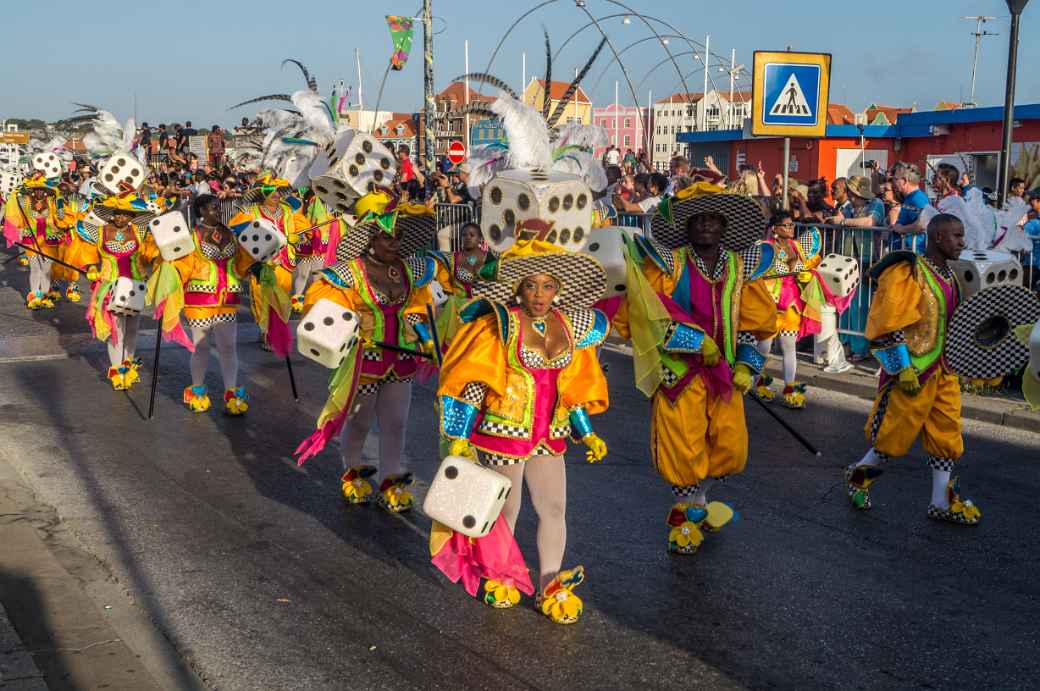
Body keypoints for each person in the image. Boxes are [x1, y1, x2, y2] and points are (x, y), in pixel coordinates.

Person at [434, 235, 609, 623]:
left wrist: (587, 431)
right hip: (504, 430)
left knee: (554, 508)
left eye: (548, 286)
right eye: (531, 285)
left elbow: (573, 390)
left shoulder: (569, 327)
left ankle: (550, 581)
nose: (540, 295)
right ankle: (500, 575)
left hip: (550, 433)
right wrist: (459, 437)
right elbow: (471, 383)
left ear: (559, 290)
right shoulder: (499, 325)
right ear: (517, 288)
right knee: (505, 509)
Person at [606, 194, 776, 555]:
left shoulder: (740, 267)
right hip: (678, 373)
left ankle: (698, 502)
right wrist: (696, 344)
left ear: (725, 227)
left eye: (713, 219)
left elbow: (751, 326)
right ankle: (684, 518)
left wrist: (748, 366)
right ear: (687, 227)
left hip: (724, 372)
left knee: (730, 447)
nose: (706, 225)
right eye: (699, 220)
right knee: (682, 448)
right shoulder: (669, 265)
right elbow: (648, 317)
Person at [295, 194, 438, 512]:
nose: (393, 244)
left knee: (396, 422)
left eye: (398, 237)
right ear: (371, 238)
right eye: (387, 237)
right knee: (359, 422)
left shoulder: (410, 270)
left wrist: (426, 339)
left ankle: (390, 477)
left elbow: (416, 310)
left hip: (400, 358)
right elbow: (325, 313)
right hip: (364, 361)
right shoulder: (349, 273)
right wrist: (351, 326)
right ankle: (353, 471)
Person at [843, 214, 979, 525]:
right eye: (956, 236)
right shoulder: (907, 270)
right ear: (937, 238)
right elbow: (890, 321)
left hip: (944, 369)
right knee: (891, 439)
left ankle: (939, 502)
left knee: (947, 436)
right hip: (913, 370)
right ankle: (858, 479)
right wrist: (902, 367)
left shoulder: (955, 275)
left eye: (962, 235)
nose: (962, 242)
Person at [154, 194, 258, 414]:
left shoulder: (231, 233)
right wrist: (169, 277)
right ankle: (198, 389)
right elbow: (184, 266)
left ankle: (231, 391)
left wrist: (252, 264)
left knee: (228, 346)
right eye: (213, 208)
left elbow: (238, 266)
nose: (218, 211)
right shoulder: (192, 237)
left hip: (227, 298)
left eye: (218, 208)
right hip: (199, 299)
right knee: (201, 346)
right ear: (201, 211)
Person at [65, 194, 159, 390]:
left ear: (132, 216)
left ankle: (128, 364)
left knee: (132, 329)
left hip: (135, 286)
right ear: (111, 214)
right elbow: (88, 252)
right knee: (116, 330)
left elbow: (149, 253)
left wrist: (160, 257)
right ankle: (117, 369)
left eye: (125, 214)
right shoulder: (100, 232)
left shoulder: (140, 232)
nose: (120, 218)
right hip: (110, 286)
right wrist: (90, 266)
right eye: (117, 214)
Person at [753, 210, 826, 409]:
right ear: (775, 229)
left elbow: (807, 269)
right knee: (764, 348)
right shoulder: (765, 249)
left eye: (792, 224)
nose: (791, 228)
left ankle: (789, 389)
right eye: (786, 225)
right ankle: (757, 383)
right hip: (770, 304)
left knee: (788, 347)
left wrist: (807, 276)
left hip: (792, 304)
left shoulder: (797, 247)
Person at [228, 173, 308, 352]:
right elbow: (239, 234)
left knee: (281, 299)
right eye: (272, 192)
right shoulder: (250, 212)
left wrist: (298, 238)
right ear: (262, 193)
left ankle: (277, 332)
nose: (276, 195)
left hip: (285, 263)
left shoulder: (288, 211)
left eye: (278, 191)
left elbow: (303, 230)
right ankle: (265, 333)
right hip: (261, 265)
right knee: (262, 299)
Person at [2, 173, 79, 308]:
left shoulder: (51, 202)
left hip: (49, 241)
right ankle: (34, 295)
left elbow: (61, 218)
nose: (39, 192)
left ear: (45, 191)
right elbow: (13, 198)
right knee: (35, 268)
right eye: (36, 189)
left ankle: (43, 295)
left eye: (42, 189)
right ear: (32, 190)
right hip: (31, 240)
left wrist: (60, 206)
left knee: (46, 269)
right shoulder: (24, 201)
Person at [888, 163, 929, 253]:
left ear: (904, 181)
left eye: (895, 179)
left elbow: (922, 224)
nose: (893, 182)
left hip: (913, 254)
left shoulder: (918, 198)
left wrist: (901, 229)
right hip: (904, 252)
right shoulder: (910, 197)